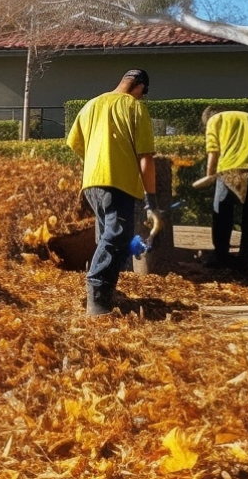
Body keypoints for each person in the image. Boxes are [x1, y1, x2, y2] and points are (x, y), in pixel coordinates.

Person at [66, 68, 161, 316]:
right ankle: (97, 293)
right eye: (143, 94)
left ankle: (107, 293)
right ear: (139, 87)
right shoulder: (134, 106)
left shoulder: (91, 105)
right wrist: (151, 200)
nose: (141, 98)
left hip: (92, 184)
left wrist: (96, 163)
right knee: (117, 236)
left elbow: (75, 143)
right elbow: (146, 158)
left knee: (109, 238)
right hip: (117, 182)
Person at [199, 107, 248, 276]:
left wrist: (210, 175)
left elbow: (213, 151)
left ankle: (221, 255)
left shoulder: (213, 121)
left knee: (222, 211)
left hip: (230, 169)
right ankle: (247, 258)